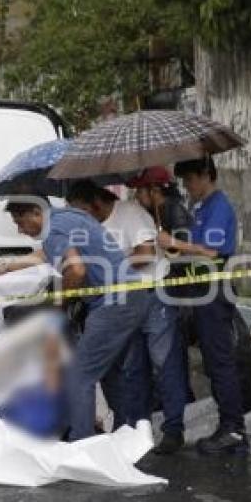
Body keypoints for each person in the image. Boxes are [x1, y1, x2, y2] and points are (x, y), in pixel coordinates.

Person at [0, 197, 152, 441]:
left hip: (113, 302)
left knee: (80, 375)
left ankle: (81, 443)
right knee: (112, 373)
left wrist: (59, 303)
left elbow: (76, 270)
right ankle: (124, 437)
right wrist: (7, 266)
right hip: (132, 297)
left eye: (20, 222)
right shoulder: (70, 217)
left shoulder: (54, 229)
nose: (19, 229)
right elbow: (46, 254)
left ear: (36, 213)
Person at [67, 181, 188, 454]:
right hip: (122, 301)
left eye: (83, 212)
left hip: (152, 293)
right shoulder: (90, 226)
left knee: (164, 361)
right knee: (132, 367)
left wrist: (111, 262)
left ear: (96, 204)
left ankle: (173, 428)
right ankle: (133, 426)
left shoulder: (131, 214)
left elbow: (145, 254)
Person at [157, 157, 249, 455]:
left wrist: (174, 242)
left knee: (221, 361)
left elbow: (210, 251)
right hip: (200, 291)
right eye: (183, 182)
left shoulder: (219, 206)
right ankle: (228, 426)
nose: (187, 187)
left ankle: (233, 429)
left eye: (191, 180)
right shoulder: (200, 208)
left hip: (214, 291)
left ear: (207, 175)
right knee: (212, 361)